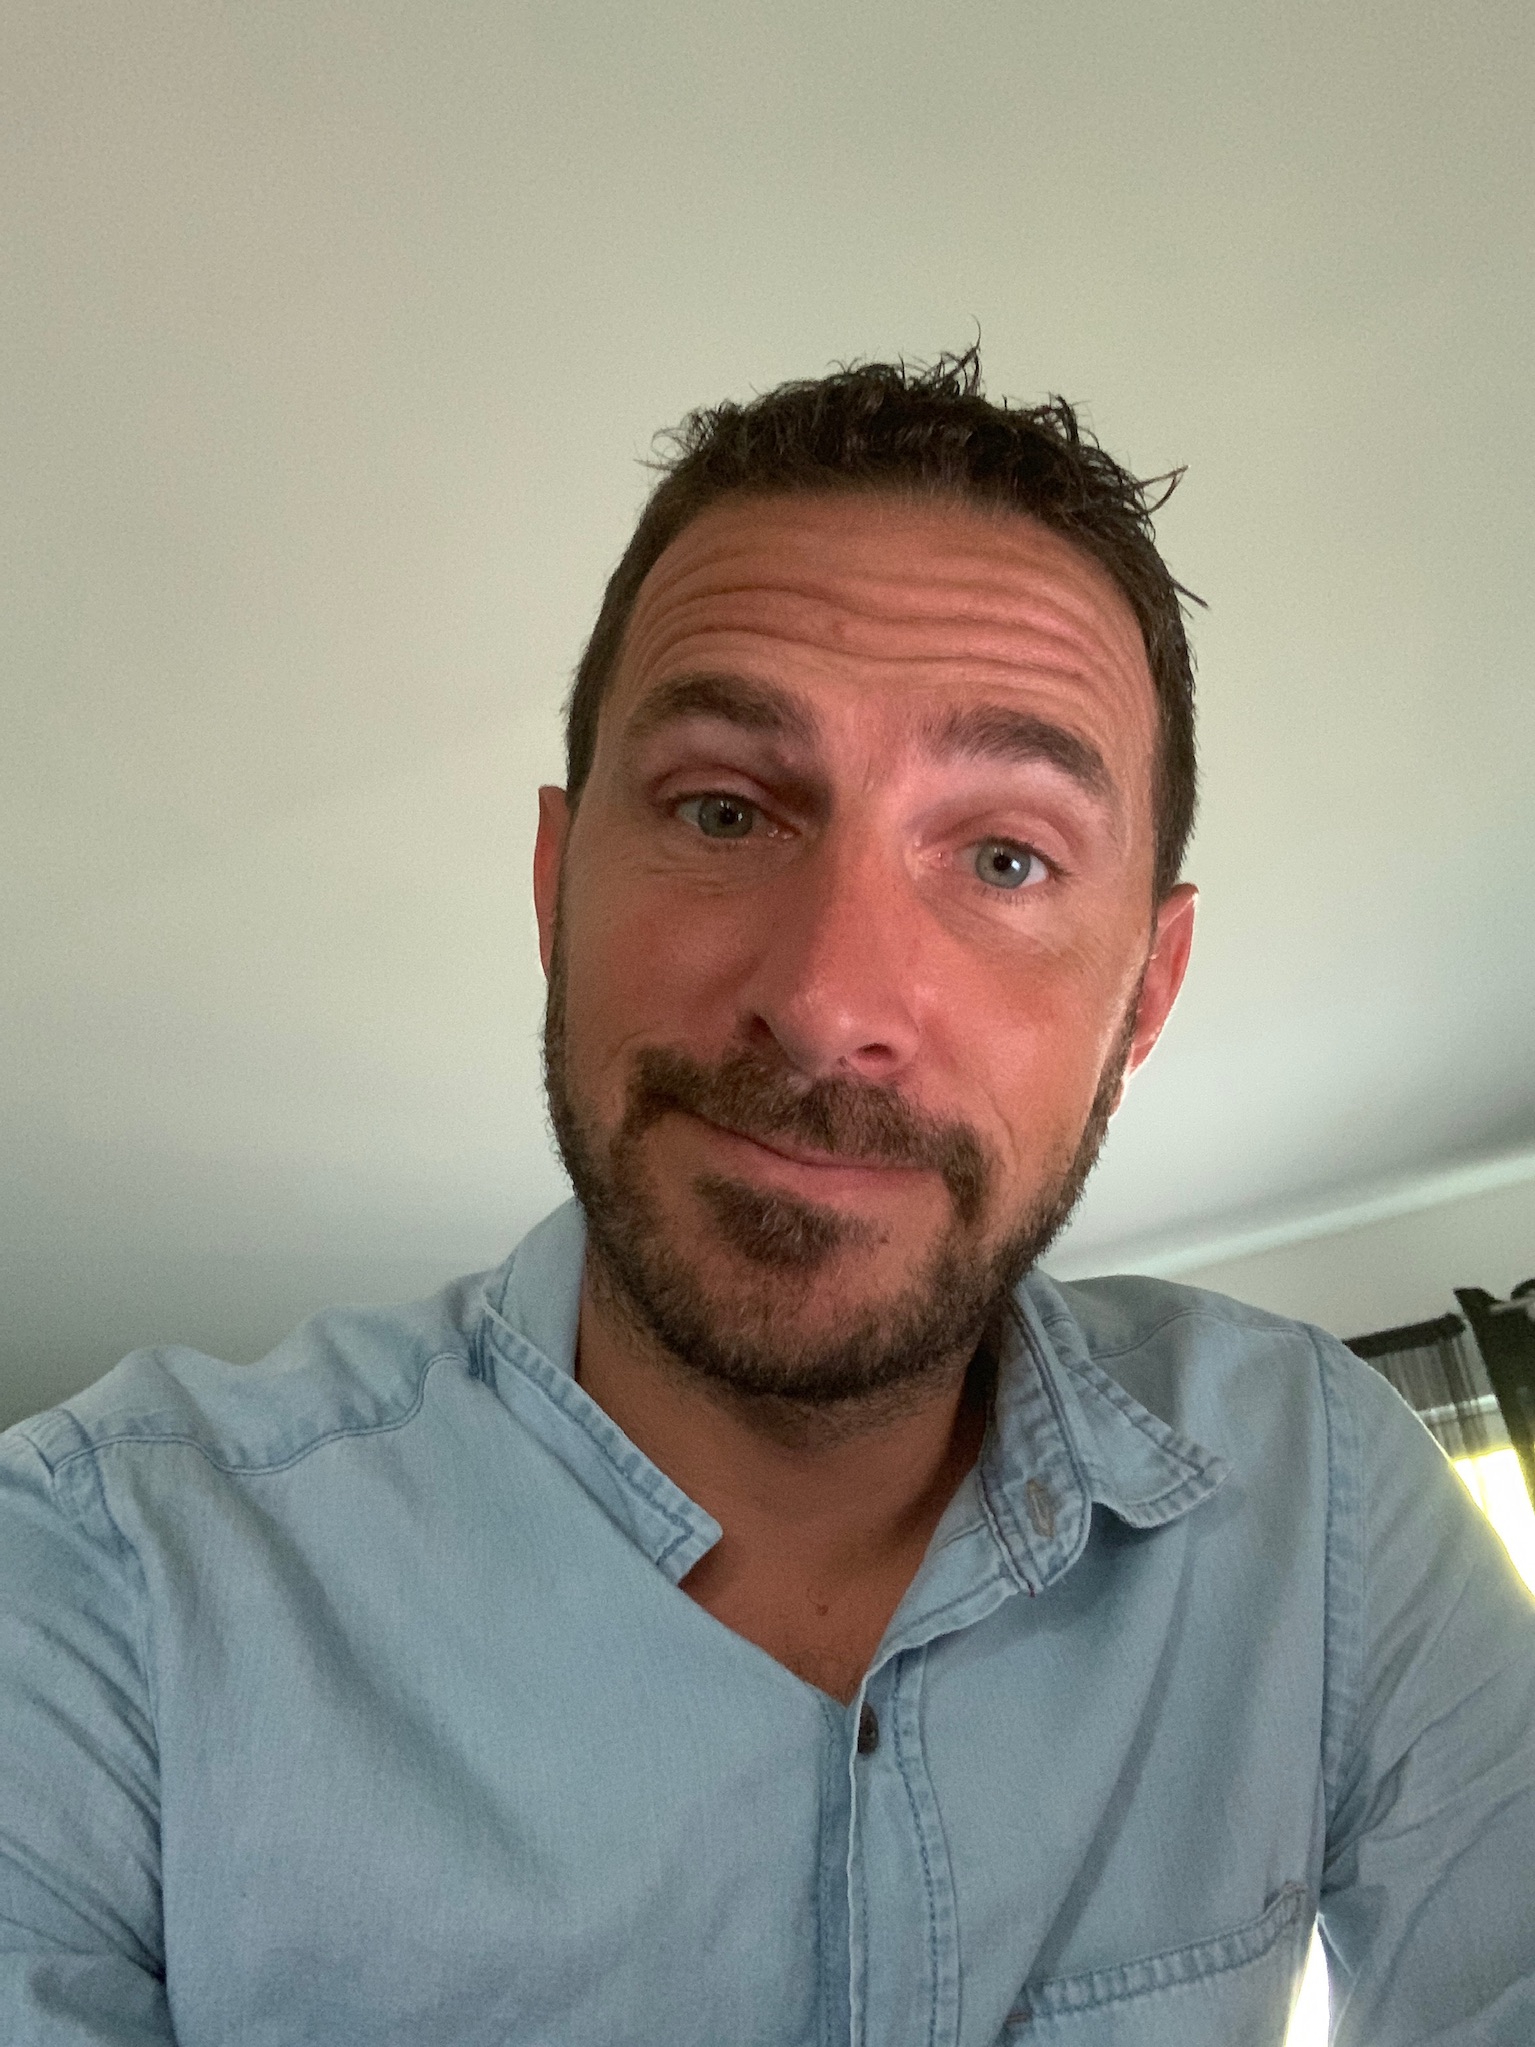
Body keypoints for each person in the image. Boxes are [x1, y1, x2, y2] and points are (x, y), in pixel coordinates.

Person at [3, 351, 1532, 2047]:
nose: (825, 1002)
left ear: (1146, 998)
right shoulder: (91, 1579)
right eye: (724, 809)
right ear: (555, 887)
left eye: (1007, 858)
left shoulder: (1322, 1502)